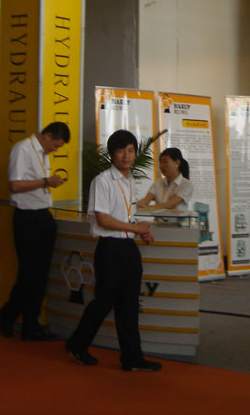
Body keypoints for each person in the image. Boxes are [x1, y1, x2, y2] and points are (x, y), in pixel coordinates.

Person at [65, 129, 161, 371]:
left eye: (130, 150)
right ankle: (77, 344)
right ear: (112, 154)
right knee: (104, 301)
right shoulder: (103, 181)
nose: (126, 156)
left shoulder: (130, 181)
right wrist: (135, 228)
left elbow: (125, 216)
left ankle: (132, 357)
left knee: (129, 304)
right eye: (121, 151)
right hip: (110, 248)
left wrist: (140, 231)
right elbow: (103, 219)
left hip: (128, 247)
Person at [0, 122, 69, 341]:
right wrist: (46, 181)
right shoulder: (23, 149)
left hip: (43, 215)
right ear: (48, 136)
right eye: (56, 145)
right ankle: (8, 315)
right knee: (28, 274)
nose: (55, 150)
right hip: (27, 218)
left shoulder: (42, 153)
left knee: (40, 275)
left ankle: (31, 324)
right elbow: (15, 185)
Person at [137, 147, 194, 211]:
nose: (161, 166)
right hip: (158, 218)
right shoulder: (158, 183)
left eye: (165, 162)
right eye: (160, 162)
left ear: (177, 163)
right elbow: (146, 200)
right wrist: (140, 205)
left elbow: (170, 205)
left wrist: (147, 208)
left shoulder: (186, 185)